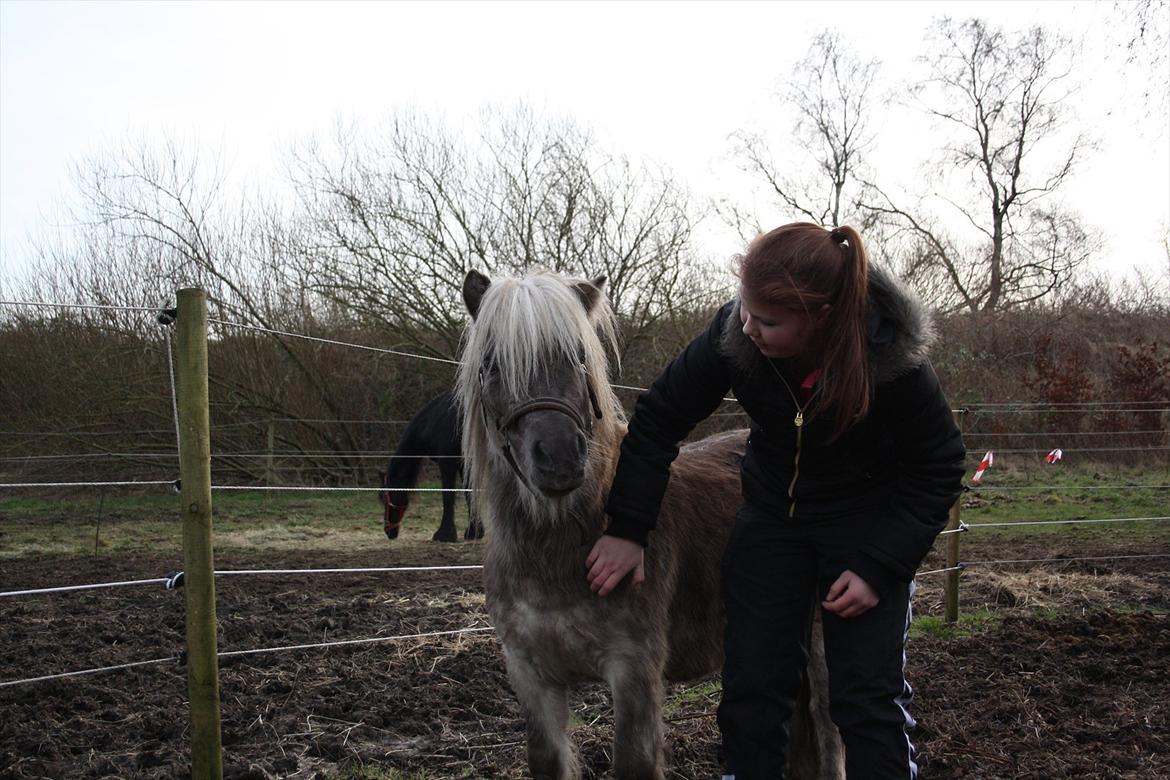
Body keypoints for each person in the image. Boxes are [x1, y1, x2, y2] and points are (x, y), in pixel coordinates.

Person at [585, 222, 966, 779]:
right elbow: (660, 418)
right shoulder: (735, 336)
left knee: (863, 700)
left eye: (768, 320)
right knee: (752, 691)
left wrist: (879, 567)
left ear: (823, 319)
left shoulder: (890, 360)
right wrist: (627, 527)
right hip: (772, 522)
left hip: (864, 529)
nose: (748, 326)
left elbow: (940, 464)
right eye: (744, 308)